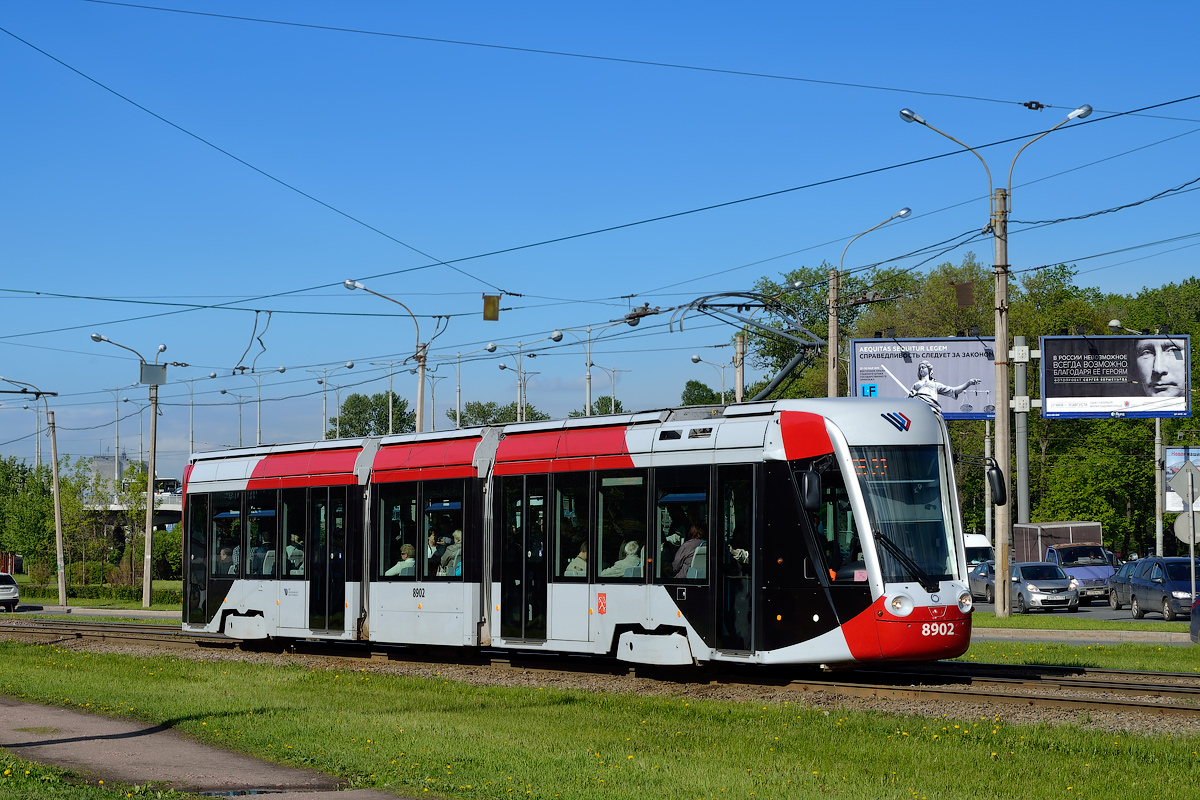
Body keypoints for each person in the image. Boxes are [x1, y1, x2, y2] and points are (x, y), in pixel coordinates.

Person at [909, 360, 981, 411]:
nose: (921, 369)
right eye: (920, 368)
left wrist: (968, 383)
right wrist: (911, 395)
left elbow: (954, 390)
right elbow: (910, 400)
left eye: (923, 367)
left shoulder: (935, 384)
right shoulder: (916, 385)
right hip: (919, 409)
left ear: (929, 369)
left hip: (932, 409)